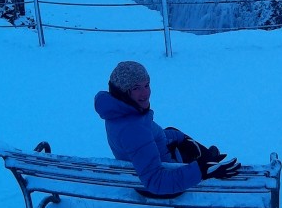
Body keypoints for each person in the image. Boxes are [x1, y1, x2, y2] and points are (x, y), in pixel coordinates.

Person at [94, 61, 241, 198]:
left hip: (142, 172)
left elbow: (151, 135)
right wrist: (202, 171)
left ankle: (208, 157)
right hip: (162, 187)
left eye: (146, 85)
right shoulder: (134, 130)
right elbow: (156, 181)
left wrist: (182, 138)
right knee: (193, 153)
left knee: (174, 132)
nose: (145, 93)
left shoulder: (119, 113)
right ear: (122, 92)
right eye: (136, 88)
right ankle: (209, 161)